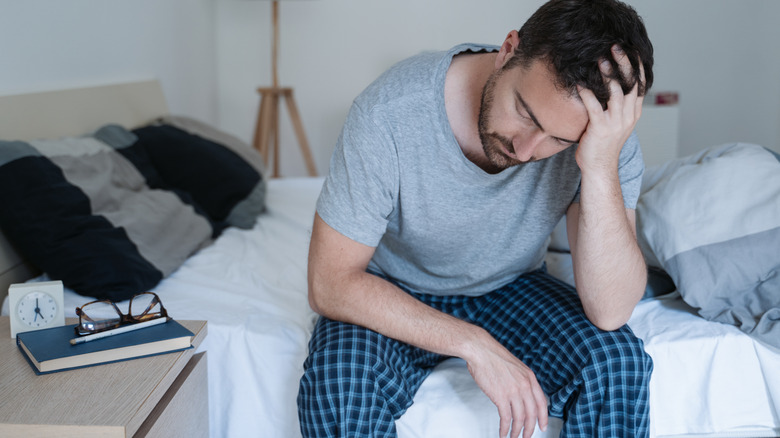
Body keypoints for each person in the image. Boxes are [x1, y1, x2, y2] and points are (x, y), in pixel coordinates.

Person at [298, 0, 655, 436]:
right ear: (508, 49)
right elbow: (329, 282)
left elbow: (611, 311)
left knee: (617, 365)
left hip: (509, 284)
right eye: (525, 112)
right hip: (391, 287)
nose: (526, 151)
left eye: (558, 140)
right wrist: (472, 343)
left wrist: (598, 164)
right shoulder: (388, 113)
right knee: (339, 386)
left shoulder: (603, 142)